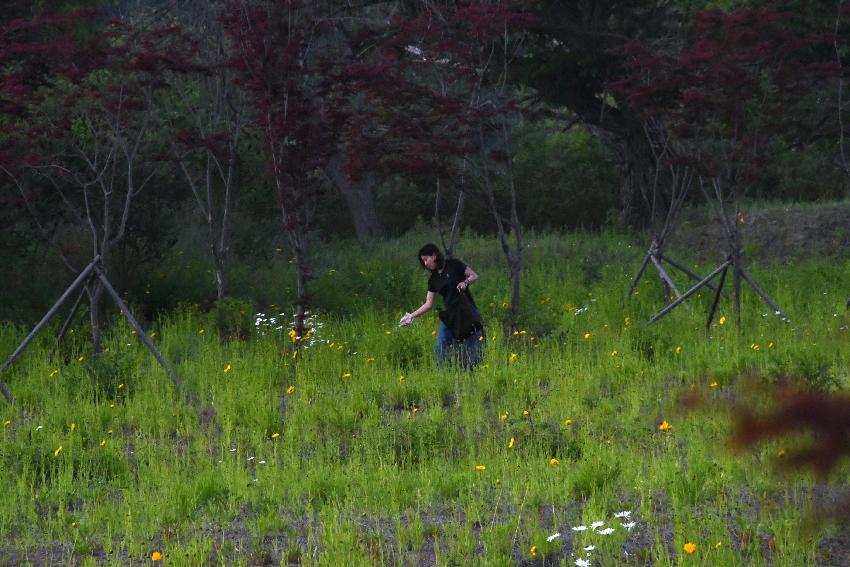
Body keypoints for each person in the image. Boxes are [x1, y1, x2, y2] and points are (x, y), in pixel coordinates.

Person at [399, 243, 485, 368]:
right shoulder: (433, 280)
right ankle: (443, 374)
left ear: (434, 256)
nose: (425, 264)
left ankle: (473, 372)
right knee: (440, 348)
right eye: (423, 261)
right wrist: (411, 316)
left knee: (473, 349)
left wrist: (465, 282)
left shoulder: (454, 265)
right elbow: (429, 304)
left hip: (466, 311)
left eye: (425, 259)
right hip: (450, 316)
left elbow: (474, 275)